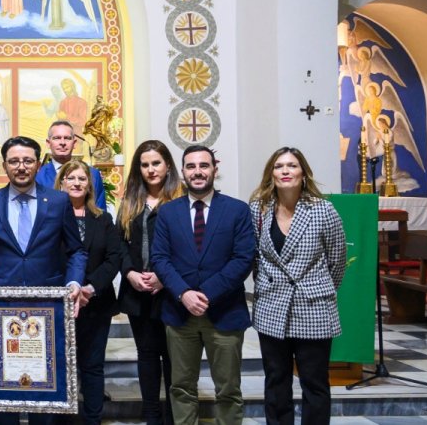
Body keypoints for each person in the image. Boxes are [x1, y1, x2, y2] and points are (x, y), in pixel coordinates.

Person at [0, 135, 86, 425]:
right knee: (4, 385)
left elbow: (76, 250)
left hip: (47, 305)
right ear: (5, 165)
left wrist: (73, 284)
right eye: (14, 161)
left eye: (28, 161)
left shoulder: (58, 201)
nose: (21, 167)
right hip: (1, 306)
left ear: (38, 163)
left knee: (43, 387)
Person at [150, 145, 255, 425]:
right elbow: (159, 258)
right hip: (179, 313)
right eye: (191, 166)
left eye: (204, 166)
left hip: (224, 312)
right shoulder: (167, 213)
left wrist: (205, 294)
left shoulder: (237, 210)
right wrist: (184, 293)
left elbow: (243, 259)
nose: (198, 172)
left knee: (228, 389)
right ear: (183, 172)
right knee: (181, 387)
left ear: (214, 170)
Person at [250, 147, 347, 425]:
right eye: (279, 166)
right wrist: (271, 287)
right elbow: (255, 258)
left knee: (314, 383)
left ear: (303, 173)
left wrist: (317, 289)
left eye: (292, 166)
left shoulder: (322, 209)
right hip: (272, 306)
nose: (285, 171)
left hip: (313, 306)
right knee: (276, 381)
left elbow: (337, 261)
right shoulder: (258, 208)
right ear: (271, 174)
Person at [116, 140, 182, 425]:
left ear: (167, 165)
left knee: (171, 356)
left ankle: (173, 416)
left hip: (170, 291)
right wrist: (129, 272)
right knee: (146, 354)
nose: (151, 169)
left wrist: (163, 278)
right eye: (145, 165)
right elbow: (117, 244)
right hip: (137, 290)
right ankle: (152, 415)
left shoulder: (181, 200)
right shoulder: (130, 201)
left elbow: (187, 248)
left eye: (156, 163)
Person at [55, 159, 122, 425]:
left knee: (92, 366)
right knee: (61, 367)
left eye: (82, 179)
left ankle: (93, 420)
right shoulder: (49, 218)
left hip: (96, 304)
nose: (76, 183)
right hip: (59, 304)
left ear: (90, 185)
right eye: (71, 178)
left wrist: (89, 288)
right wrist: (68, 290)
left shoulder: (103, 218)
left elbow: (114, 258)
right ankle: (61, 419)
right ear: (61, 183)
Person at [36, 119, 108, 210]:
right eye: (57, 138)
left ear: (74, 143)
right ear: (48, 143)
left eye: (67, 138)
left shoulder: (93, 174)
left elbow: (100, 213)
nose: (62, 143)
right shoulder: (38, 176)